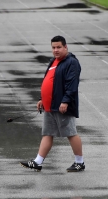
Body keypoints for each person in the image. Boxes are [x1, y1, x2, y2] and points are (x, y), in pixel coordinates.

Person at [20, 35, 84, 172]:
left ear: (65, 47)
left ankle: (80, 162)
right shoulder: (53, 61)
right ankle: (38, 162)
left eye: (59, 47)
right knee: (47, 133)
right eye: (53, 47)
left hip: (62, 106)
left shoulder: (71, 62)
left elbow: (72, 85)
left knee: (71, 133)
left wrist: (65, 101)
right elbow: (49, 81)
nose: (56, 50)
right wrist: (42, 99)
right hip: (50, 105)